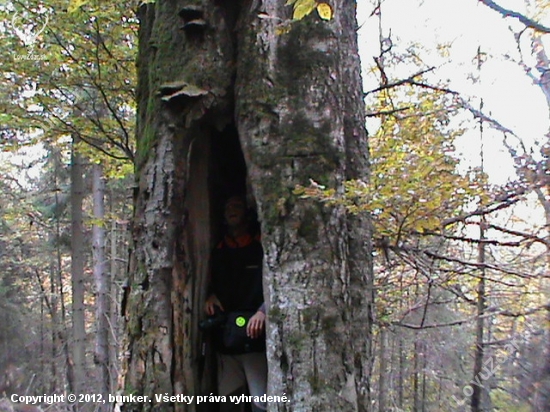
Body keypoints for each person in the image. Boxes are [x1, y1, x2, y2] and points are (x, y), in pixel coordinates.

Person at [205, 196, 267, 412]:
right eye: (228, 207)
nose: (232, 210)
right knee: (229, 402)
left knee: (261, 402)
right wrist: (211, 296)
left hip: (256, 339)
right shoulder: (220, 251)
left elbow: (278, 283)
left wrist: (263, 311)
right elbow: (211, 283)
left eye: (237, 206)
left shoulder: (261, 247)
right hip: (227, 339)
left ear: (247, 213)